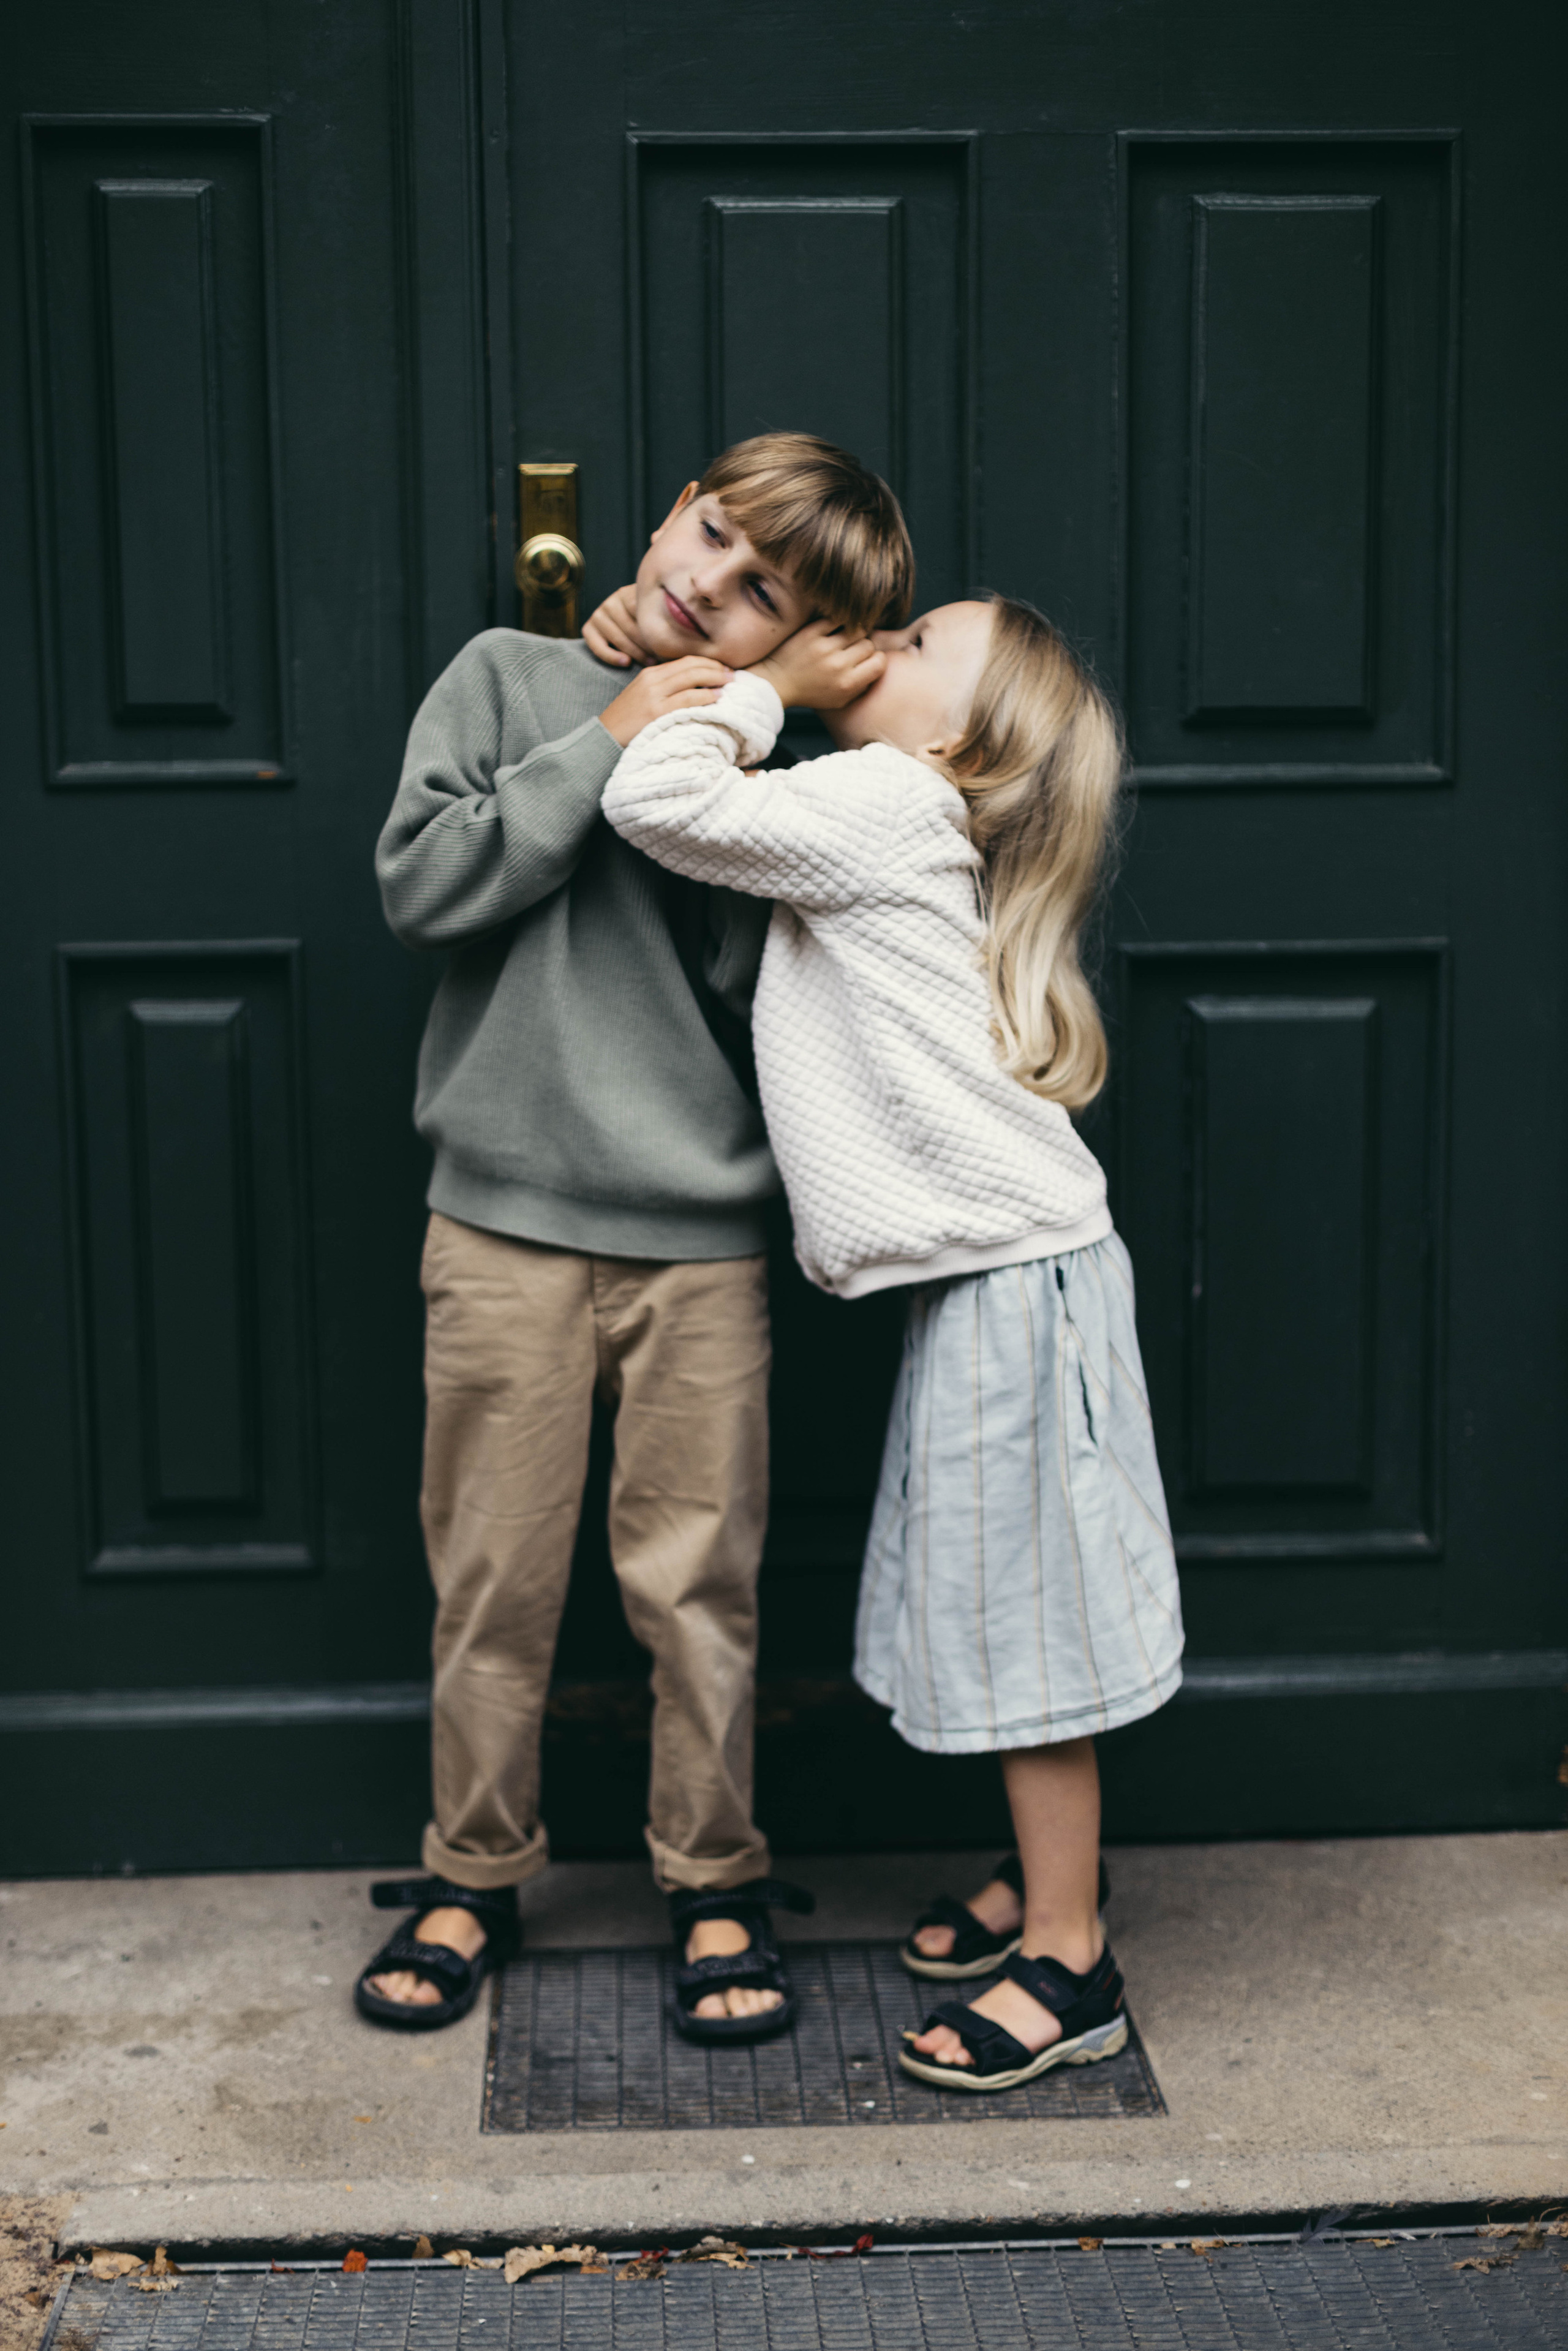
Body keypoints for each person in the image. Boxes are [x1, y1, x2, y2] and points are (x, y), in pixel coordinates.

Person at [358, 434, 913, 2040]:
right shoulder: (509, 674)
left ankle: (716, 1872)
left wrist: (734, 729)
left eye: (760, 598)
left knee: (700, 1583)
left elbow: (771, 989)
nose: (708, 587)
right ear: (673, 500)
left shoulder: (769, 755)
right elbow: (424, 883)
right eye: (714, 538)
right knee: (492, 1575)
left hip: (699, 1240)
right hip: (502, 1225)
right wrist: (602, 732)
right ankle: (471, 1868)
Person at [600, 595, 1185, 2091]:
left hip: (1013, 1279)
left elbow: (652, 793)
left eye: (916, 638)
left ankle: (1070, 1956)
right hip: (1003, 1277)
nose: (874, 637)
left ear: (958, 736)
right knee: (1006, 1596)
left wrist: (761, 687)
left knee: (1025, 1625)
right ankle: (1046, 1877)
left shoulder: (878, 795)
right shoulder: (905, 803)